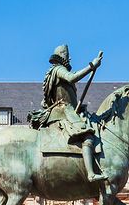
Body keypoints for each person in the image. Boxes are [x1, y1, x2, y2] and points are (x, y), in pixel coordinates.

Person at [30, 43, 107, 184]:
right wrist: (92, 66)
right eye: (67, 55)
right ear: (62, 56)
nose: (69, 58)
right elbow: (72, 78)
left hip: (61, 110)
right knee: (88, 137)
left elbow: (45, 101)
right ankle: (91, 174)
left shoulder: (52, 73)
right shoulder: (59, 69)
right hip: (64, 112)